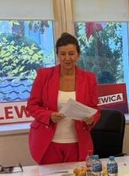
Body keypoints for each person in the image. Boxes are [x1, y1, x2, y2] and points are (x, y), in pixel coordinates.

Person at [27, 32, 100, 164]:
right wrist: (49, 116)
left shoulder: (89, 78)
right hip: (48, 144)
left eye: (71, 54)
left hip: (78, 143)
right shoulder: (44, 75)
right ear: (57, 55)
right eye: (62, 54)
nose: (67, 58)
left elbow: (95, 109)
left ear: (78, 54)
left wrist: (91, 119)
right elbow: (32, 106)